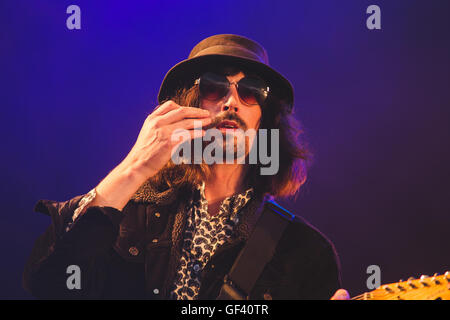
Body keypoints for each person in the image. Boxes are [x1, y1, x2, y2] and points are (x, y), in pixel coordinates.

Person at [23, 34, 348, 300]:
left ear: (265, 122)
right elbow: (49, 283)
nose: (231, 101)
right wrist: (135, 166)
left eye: (250, 92)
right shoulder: (129, 215)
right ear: (188, 103)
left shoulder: (305, 251)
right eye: (213, 86)